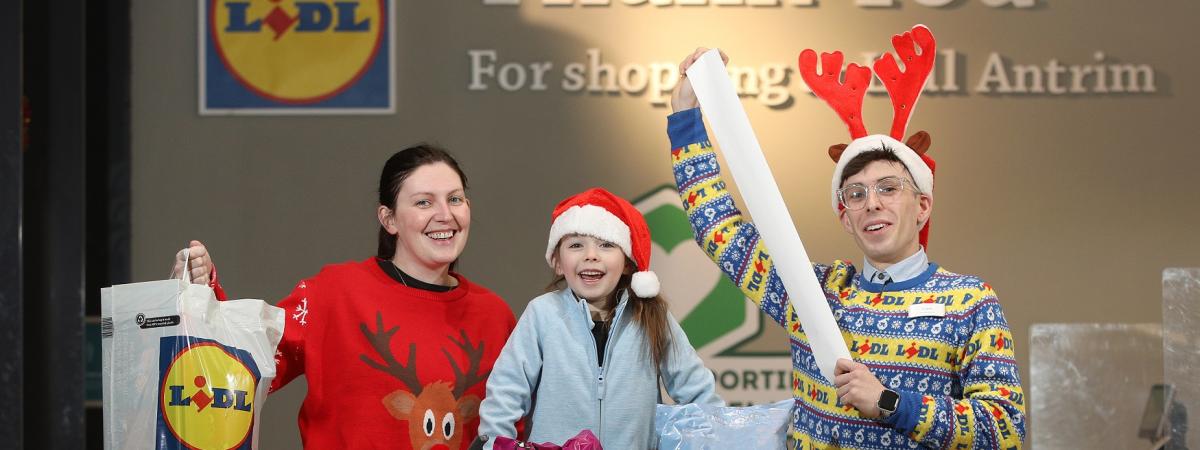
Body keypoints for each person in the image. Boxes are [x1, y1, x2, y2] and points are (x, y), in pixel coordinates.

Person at [664, 42, 1025, 449]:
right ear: (845, 218)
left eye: (889, 188)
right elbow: (719, 230)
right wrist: (685, 117)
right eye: (855, 194)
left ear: (923, 206)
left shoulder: (970, 302)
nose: (872, 202)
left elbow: (1005, 427)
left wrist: (890, 403)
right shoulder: (813, 291)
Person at [176, 144, 517, 450]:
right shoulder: (333, 293)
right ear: (389, 219)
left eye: (455, 199)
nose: (445, 214)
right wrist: (198, 292)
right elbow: (239, 364)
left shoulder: (495, 315)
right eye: (424, 202)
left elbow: (516, 429)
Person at [477, 187, 723, 449]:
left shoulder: (653, 316)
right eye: (576, 245)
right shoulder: (542, 314)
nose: (591, 255)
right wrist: (494, 444)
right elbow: (504, 395)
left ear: (628, 262)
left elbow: (699, 395)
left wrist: (720, 440)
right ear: (558, 261)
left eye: (606, 244)